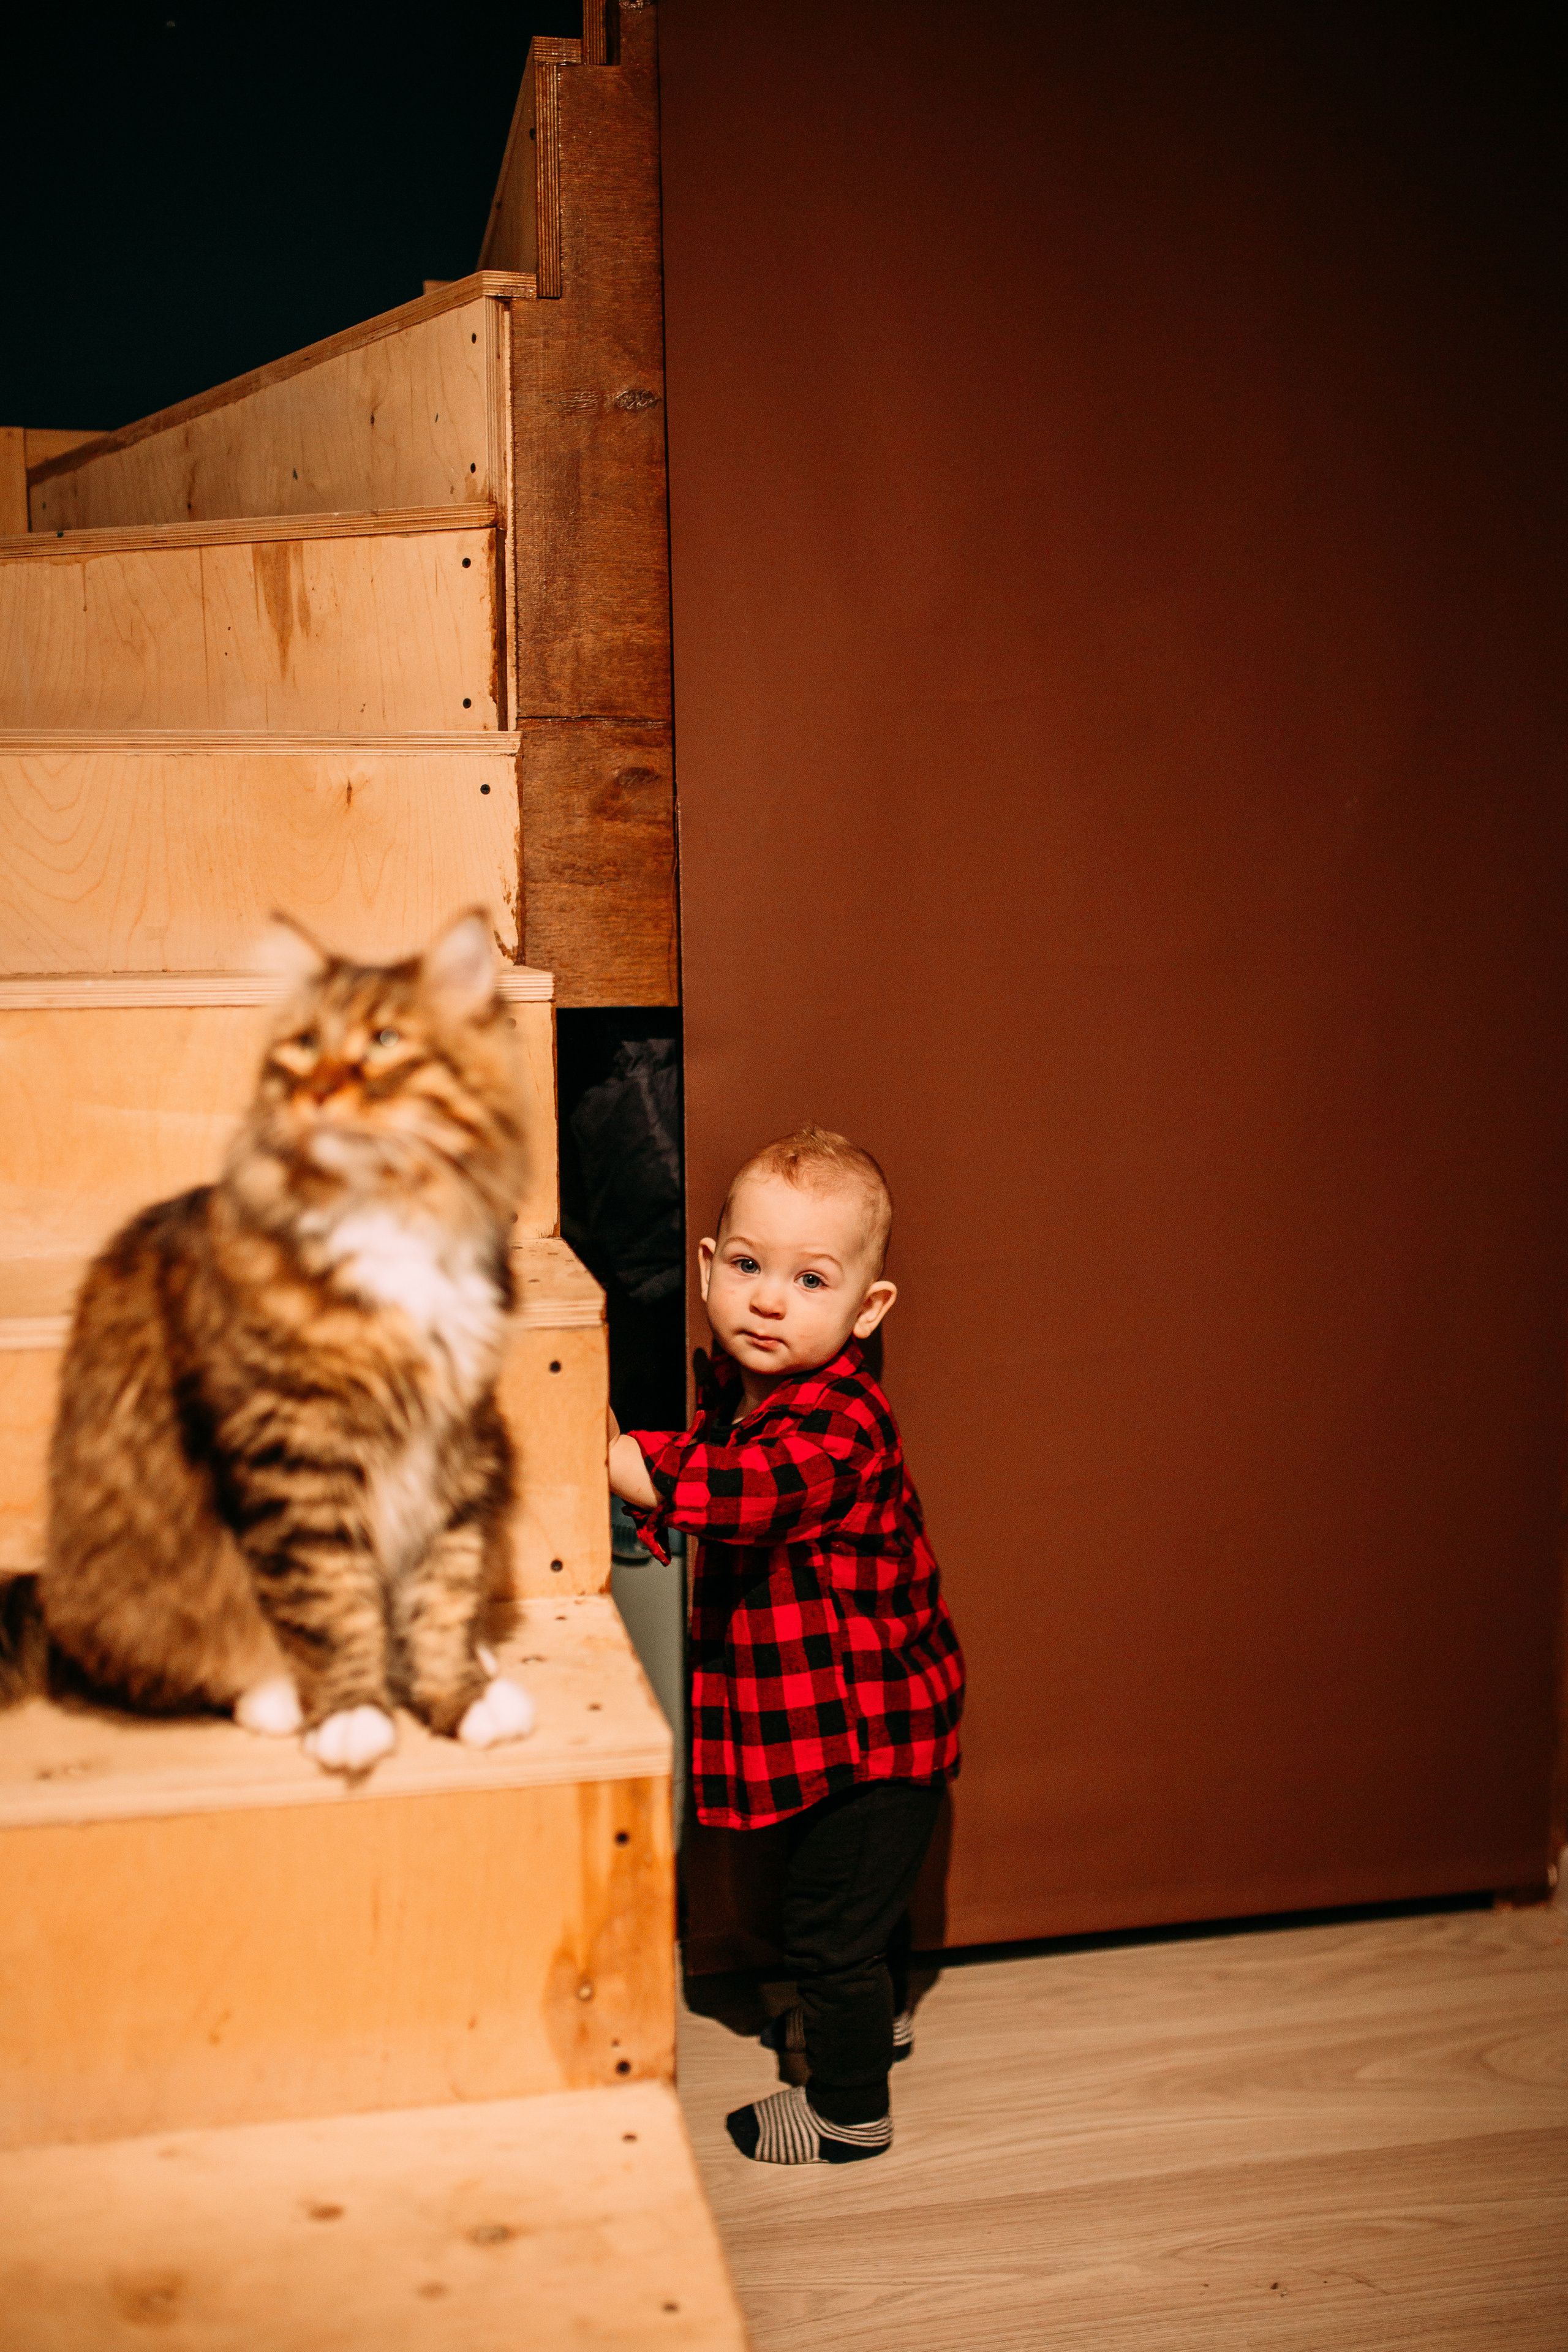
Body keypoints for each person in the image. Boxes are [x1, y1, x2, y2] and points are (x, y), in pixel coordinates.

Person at [608, 1124, 965, 2165]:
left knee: (828, 1928)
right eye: (752, 1268)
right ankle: (876, 2016)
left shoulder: (841, 1422)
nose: (770, 1300)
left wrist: (623, 1465)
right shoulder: (745, 1393)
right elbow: (718, 1460)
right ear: (710, 1271)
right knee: (855, 1911)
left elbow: (750, 1489)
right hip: (837, 1724)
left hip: (873, 1733)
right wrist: (652, 1470)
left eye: (811, 1281)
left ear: (868, 1309)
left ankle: (850, 2110)